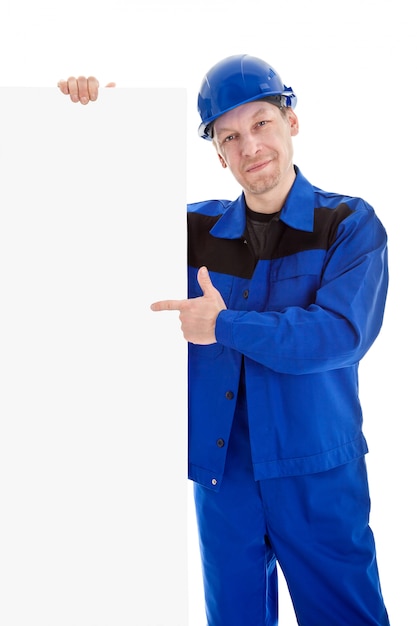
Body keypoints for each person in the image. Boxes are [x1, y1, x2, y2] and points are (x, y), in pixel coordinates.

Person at [58, 54, 391, 625]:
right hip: (222, 475)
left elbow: (340, 335)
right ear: (217, 152)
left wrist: (224, 325)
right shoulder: (191, 230)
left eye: (261, 122)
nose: (249, 147)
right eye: (229, 135)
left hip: (317, 475)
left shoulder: (348, 224)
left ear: (292, 121)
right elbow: (87, 223)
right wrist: (92, 123)